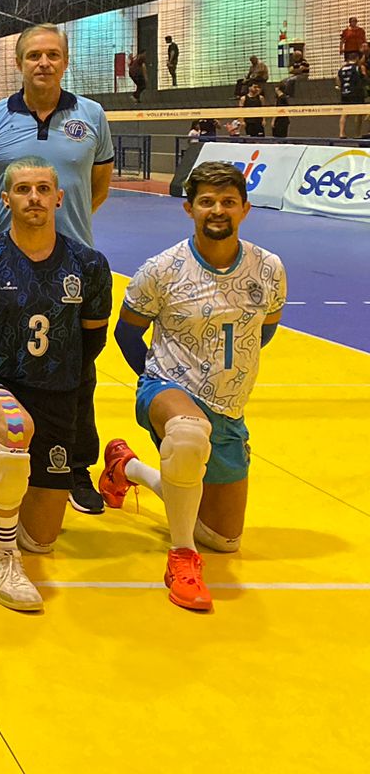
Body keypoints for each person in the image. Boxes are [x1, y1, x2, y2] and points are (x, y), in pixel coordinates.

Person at [101, 162, 287, 612]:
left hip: (228, 407)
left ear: (245, 207)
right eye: (206, 201)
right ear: (189, 209)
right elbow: (127, 332)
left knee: (222, 539)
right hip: (169, 386)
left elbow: (265, 330)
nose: (217, 210)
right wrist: (151, 379)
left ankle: (128, 468)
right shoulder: (161, 269)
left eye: (227, 202)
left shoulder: (269, 269)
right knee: (186, 434)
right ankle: (181, 559)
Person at [0, 158, 112, 612]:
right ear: (5, 200)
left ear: (59, 198)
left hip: (59, 395)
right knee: (16, 428)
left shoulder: (89, 265)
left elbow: (92, 336)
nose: (34, 197)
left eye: (43, 189)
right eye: (22, 189)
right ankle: (1, 558)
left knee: (41, 539)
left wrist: (61, 373)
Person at [0, 23, 113, 513]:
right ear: (18, 62)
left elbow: (97, 186)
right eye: (34, 55)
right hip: (7, 265)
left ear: (65, 60)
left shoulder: (92, 115)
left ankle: (75, 467)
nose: (43, 63)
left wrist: (59, 232)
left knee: (77, 370)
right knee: (4, 361)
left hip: (72, 261)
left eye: (52, 55)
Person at [338, 53, 367, 139]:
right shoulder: (358, 67)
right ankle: (357, 134)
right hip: (356, 93)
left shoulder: (341, 69)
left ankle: (341, 133)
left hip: (345, 93)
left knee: (344, 114)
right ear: (357, 58)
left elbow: (338, 81)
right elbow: (364, 77)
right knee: (358, 114)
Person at [272, 73, 295, 139]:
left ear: (277, 88)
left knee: (279, 138)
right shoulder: (282, 97)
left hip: (281, 121)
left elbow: (278, 110)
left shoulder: (282, 98)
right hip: (283, 120)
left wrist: (274, 120)